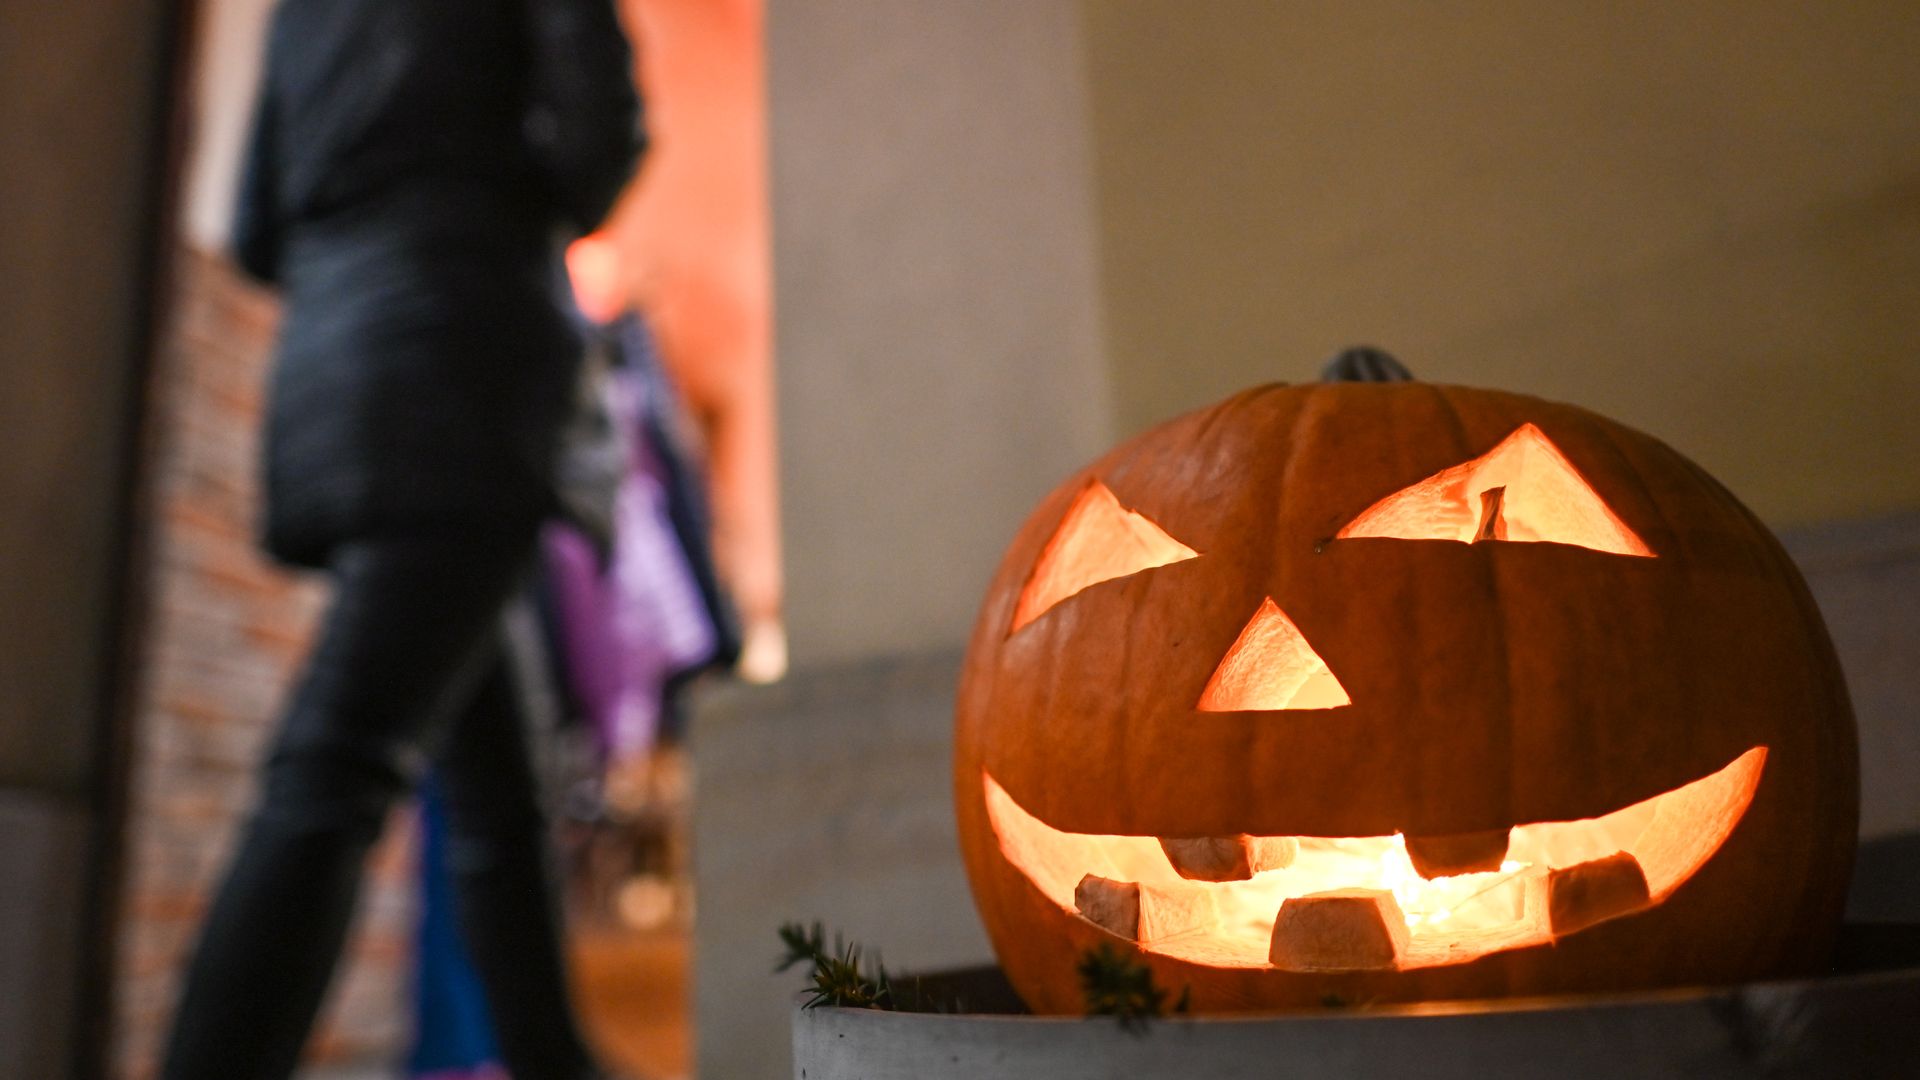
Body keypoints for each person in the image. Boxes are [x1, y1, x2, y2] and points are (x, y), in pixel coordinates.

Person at [159, 1, 644, 1077]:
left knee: (497, 796)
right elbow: (599, 150)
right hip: (464, 369)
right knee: (334, 771)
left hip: (336, 384)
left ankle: (554, 1058)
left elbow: (255, 229)